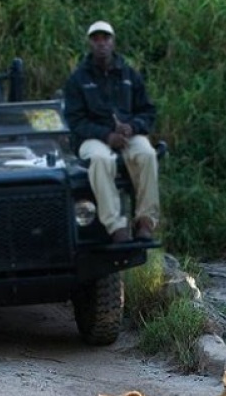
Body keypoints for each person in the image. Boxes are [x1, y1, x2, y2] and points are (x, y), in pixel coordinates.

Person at [64, 20, 159, 243]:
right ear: (90, 43)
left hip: (128, 134)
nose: (101, 43)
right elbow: (76, 121)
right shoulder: (78, 79)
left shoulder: (129, 75)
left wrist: (133, 126)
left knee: (147, 154)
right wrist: (106, 135)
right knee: (100, 160)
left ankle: (145, 221)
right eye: (96, 39)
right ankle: (116, 226)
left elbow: (147, 111)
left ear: (113, 41)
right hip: (93, 137)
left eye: (105, 38)